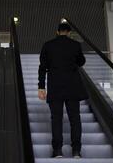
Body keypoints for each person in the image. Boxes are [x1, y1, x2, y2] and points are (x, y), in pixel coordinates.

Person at [38, 21, 88, 158]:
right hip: (73, 86)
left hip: (55, 86)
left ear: (57, 32)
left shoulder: (48, 45)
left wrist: (41, 86)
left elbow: (42, 67)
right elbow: (81, 62)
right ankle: (76, 150)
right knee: (75, 118)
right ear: (70, 33)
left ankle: (57, 150)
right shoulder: (75, 45)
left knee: (56, 118)